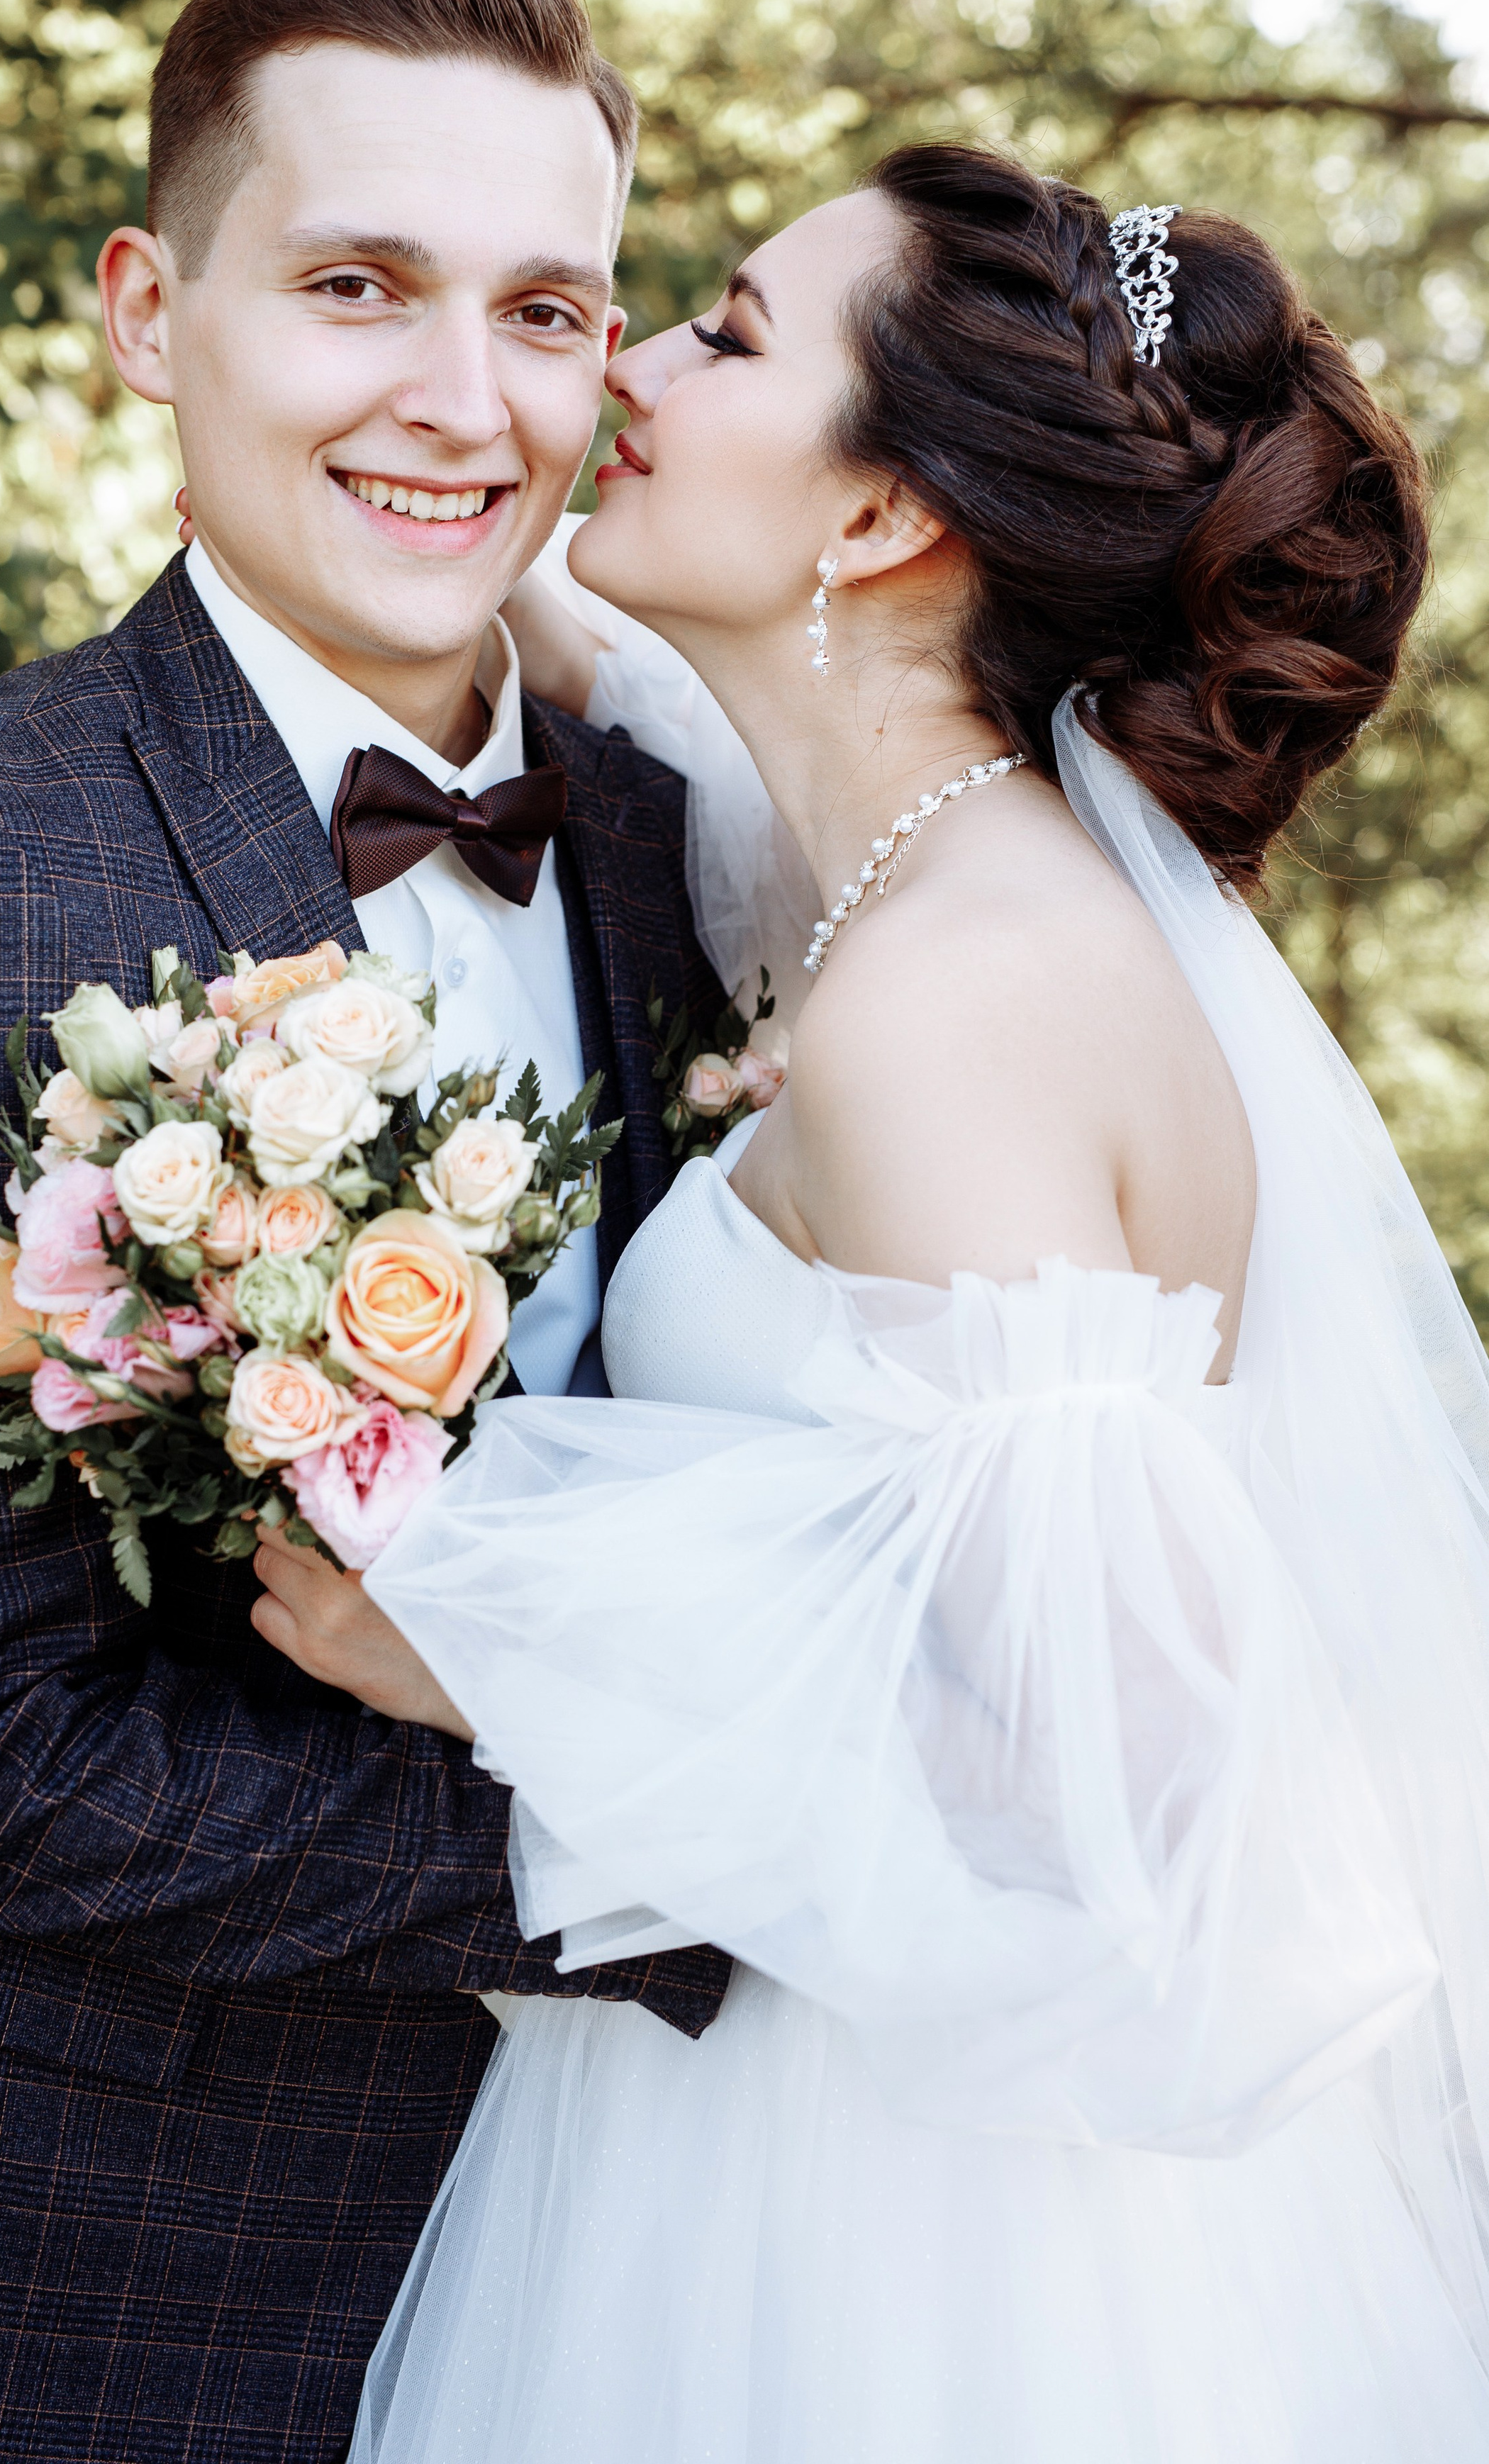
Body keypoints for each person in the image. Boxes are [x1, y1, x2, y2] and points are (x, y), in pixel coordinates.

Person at [245, 147, 1489, 2459]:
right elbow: (648, 685)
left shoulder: (960, 1001)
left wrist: (499, 1639)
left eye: (719, 336)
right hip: (796, 2112)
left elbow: (1119, 1797)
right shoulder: (877, 854)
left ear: (880, 521)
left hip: (941, 2261)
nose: (623, 367)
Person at [0, 0, 730, 2464]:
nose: (460, 403)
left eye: (550, 313)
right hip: (19, 2314)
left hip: (591, 2285)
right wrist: (686, 1865)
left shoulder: (688, 860)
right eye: (358, 284)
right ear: (158, 312)